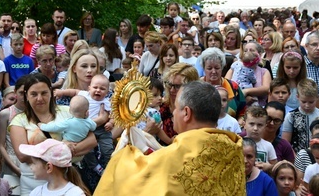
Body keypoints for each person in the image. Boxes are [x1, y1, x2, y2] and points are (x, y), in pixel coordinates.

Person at [95, 81, 246, 195]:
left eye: (176, 107)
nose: (173, 113)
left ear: (186, 113)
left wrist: (124, 154)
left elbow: (135, 181)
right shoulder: (234, 148)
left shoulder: (175, 156)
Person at [9, 73, 99, 195]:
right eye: (34, 94)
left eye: (44, 93)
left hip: (68, 178)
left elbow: (92, 141)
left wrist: (64, 151)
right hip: (34, 181)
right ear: (26, 96)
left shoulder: (69, 111)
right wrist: (63, 148)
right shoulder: (19, 120)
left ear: (51, 92)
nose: (39, 98)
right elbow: (22, 155)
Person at [54, 74, 113, 176]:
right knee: (87, 151)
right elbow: (73, 92)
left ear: (107, 92)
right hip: (86, 129)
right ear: (89, 88)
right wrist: (62, 92)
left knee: (108, 148)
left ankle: (111, 166)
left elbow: (114, 114)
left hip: (102, 129)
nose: (98, 90)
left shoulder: (106, 102)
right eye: (95, 87)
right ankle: (96, 167)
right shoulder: (84, 95)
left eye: (102, 89)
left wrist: (111, 122)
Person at [19, 139, 90, 196]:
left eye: (34, 163)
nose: (31, 167)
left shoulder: (75, 193)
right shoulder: (36, 192)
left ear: (49, 167)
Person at [0, 76, 27, 195]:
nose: (24, 97)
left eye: (27, 93)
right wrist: (16, 169)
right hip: (11, 162)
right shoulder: (6, 114)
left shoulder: (36, 113)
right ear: (15, 93)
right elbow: (0, 145)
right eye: (21, 93)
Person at [199, 47, 246, 119]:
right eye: (209, 68)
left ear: (222, 67)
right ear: (203, 68)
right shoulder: (197, 87)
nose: (214, 72)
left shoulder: (233, 87)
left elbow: (243, 111)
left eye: (217, 68)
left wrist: (240, 121)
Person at [282, 79, 319, 153]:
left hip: (318, 157)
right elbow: (286, 143)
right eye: (304, 101)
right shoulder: (291, 116)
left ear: (317, 97)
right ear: (297, 97)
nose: (307, 105)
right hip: (296, 157)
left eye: (311, 102)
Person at [226, 41, 271, 107]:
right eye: (245, 50)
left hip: (257, 108)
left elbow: (266, 89)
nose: (248, 52)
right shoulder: (236, 67)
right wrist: (241, 96)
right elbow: (226, 84)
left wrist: (246, 91)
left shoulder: (264, 71)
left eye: (252, 50)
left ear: (260, 54)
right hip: (236, 105)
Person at [243, 106, 278, 171]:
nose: (255, 128)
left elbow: (275, 167)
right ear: (244, 124)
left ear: (265, 126)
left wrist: (269, 167)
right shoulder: (238, 143)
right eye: (252, 124)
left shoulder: (268, 146)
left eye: (260, 125)